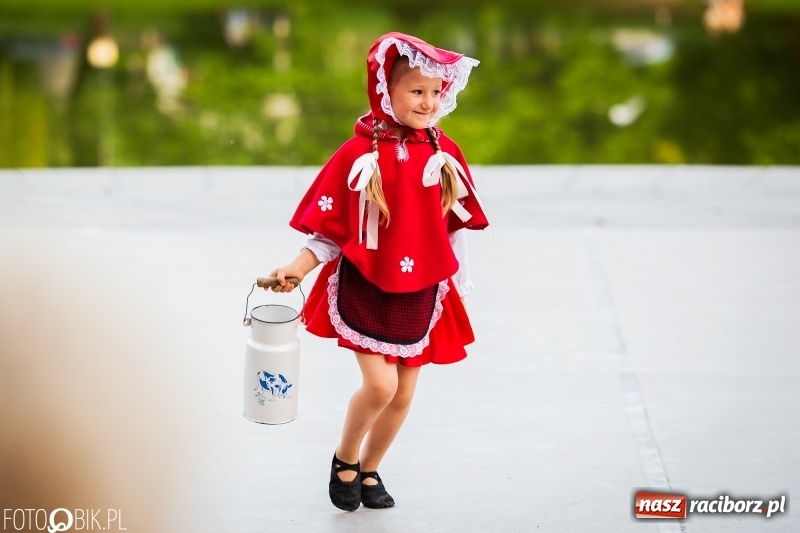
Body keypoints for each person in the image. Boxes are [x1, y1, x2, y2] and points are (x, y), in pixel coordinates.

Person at [268, 32, 489, 512]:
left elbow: (452, 225)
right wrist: (299, 267)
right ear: (386, 89)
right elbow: (332, 227)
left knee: (403, 395)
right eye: (416, 91)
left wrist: (459, 282)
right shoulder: (358, 154)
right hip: (368, 283)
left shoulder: (443, 152)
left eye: (436, 92)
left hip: (422, 287)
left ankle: (370, 469)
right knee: (381, 386)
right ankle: (345, 458)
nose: (428, 102)